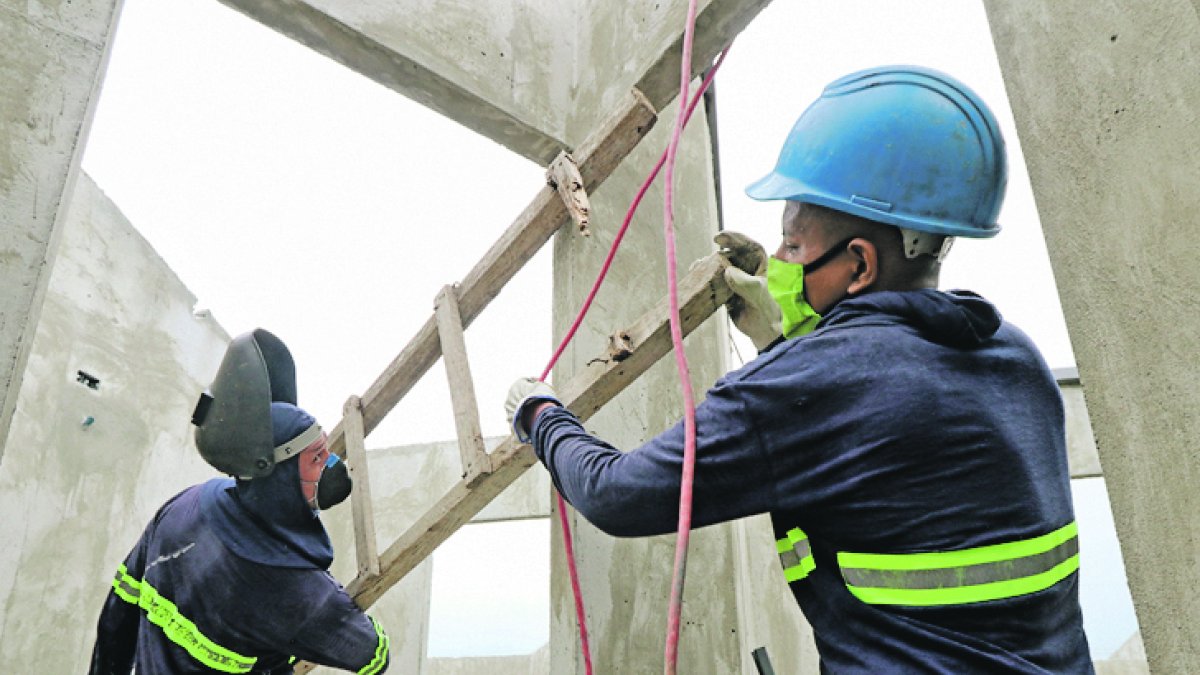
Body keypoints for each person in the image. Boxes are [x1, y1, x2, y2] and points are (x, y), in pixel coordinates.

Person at [506, 66, 1092, 672]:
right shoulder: (1015, 358)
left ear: (858, 265)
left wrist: (541, 415)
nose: (779, 260)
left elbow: (617, 494)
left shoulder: (808, 385)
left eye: (793, 245)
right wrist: (780, 342)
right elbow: (878, 435)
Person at [90, 330, 390, 674]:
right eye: (317, 458)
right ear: (277, 472)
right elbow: (375, 655)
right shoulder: (297, 589)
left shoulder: (184, 507)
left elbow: (118, 613)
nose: (332, 467)